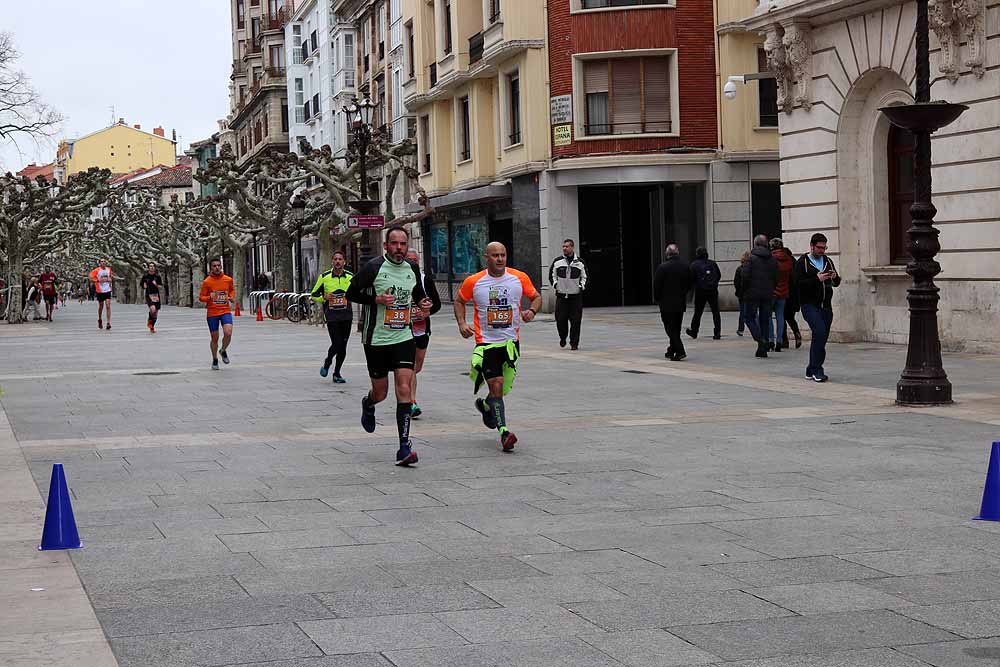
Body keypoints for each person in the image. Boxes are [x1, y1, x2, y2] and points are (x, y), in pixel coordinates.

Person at [345, 226, 432, 467]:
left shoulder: (412, 268)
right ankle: (369, 403)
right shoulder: (373, 267)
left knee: (404, 388)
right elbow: (351, 293)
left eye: (403, 244)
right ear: (386, 246)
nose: (399, 249)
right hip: (376, 340)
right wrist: (376, 299)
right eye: (394, 244)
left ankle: (404, 447)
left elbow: (419, 295)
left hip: (403, 337)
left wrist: (424, 304)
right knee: (381, 393)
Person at [455, 241, 541, 453]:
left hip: (511, 343)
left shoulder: (518, 278)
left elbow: (536, 297)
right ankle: (504, 432)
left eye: (503, 255)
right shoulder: (474, 282)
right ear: (487, 257)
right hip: (486, 345)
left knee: (501, 390)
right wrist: (462, 323)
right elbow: (459, 301)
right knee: (496, 385)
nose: (500, 259)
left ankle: (486, 407)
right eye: (495, 255)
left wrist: (532, 311)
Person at [795, 233, 841, 382]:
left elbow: (837, 283)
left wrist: (834, 277)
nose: (822, 250)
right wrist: (816, 279)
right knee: (819, 332)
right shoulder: (803, 262)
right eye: (819, 247)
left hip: (826, 306)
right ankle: (817, 370)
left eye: (824, 247)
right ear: (812, 246)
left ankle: (810, 369)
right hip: (809, 305)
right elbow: (798, 285)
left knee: (821, 338)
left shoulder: (828, 261)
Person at [406, 248, 441, 418]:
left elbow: (437, 304)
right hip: (403, 330)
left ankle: (406, 392)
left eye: (415, 260)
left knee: (416, 367)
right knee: (410, 367)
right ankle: (411, 402)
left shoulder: (425, 280)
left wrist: (427, 312)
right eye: (409, 259)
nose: (412, 262)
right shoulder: (398, 278)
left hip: (421, 329)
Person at [311, 250, 354, 383]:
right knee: (337, 343)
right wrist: (324, 297)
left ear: (344, 262)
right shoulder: (324, 277)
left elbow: (358, 292)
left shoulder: (350, 277)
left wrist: (351, 296)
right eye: (335, 259)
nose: (337, 261)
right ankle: (328, 361)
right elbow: (313, 294)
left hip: (346, 316)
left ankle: (337, 373)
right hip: (332, 316)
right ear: (332, 261)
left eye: (340, 259)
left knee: (343, 346)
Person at [653, 244, 692, 361]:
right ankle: (671, 349)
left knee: (670, 328)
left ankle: (680, 351)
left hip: (666, 303)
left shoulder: (662, 267)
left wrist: (657, 298)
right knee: (676, 327)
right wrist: (683, 293)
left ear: (667, 254)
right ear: (678, 253)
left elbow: (657, 285)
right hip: (680, 302)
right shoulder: (685, 266)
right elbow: (690, 283)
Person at [742, 235, 778, 358]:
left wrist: (745, 290)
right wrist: (772, 288)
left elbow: (745, 276)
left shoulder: (750, 259)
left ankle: (760, 340)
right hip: (768, 293)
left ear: (755, 244)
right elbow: (776, 277)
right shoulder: (772, 259)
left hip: (752, 294)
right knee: (765, 319)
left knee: (749, 317)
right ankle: (763, 345)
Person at [548, 239, 588, 350]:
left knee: (576, 322)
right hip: (561, 297)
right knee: (560, 320)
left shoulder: (580, 263)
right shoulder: (557, 262)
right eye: (563, 246)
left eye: (567, 246)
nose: (564, 248)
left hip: (575, 298)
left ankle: (574, 343)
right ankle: (562, 337)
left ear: (572, 248)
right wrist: (556, 285)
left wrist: (580, 287)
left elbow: (585, 277)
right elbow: (552, 276)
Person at [199, 259, 236, 370]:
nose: (217, 267)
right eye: (214, 266)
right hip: (212, 313)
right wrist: (209, 297)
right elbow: (201, 297)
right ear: (211, 267)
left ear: (221, 266)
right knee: (215, 338)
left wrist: (231, 297)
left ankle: (223, 350)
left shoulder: (228, 279)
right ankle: (215, 359)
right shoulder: (207, 282)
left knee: (228, 333)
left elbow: (232, 291)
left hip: (225, 311)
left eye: (218, 265)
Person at [686, 247, 722, 340]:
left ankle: (694, 331)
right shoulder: (713, 263)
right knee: (715, 311)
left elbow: (691, 279)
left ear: (697, 254)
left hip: (700, 291)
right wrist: (713, 285)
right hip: (713, 291)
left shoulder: (694, 265)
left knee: (698, 312)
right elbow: (718, 275)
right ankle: (717, 332)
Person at [769, 239, 794, 351]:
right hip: (784, 291)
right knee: (780, 316)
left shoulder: (770, 259)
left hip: (772, 291)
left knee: (768, 316)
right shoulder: (788, 259)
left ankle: (770, 339)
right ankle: (779, 340)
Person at [89, 259, 114, 330]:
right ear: (99, 263)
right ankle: (100, 320)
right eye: (102, 261)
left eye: (104, 261)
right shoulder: (96, 270)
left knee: (108, 306)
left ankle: (108, 323)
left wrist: (109, 280)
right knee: (101, 306)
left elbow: (110, 278)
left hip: (107, 290)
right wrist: (97, 280)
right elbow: (90, 277)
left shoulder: (109, 269)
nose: (103, 262)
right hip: (100, 290)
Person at [140, 262, 164, 333]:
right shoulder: (145, 276)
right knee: (152, 309)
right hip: (149, 295)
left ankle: (152, 326)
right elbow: (142, 285)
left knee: (155, 312)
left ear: (155, 268)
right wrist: (144, 285)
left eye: (153, 266)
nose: (152, 267)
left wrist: (156, 285)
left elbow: (160, 286)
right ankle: (150, 321)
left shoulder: (157, 277)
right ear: (148, 268)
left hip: (156, 295)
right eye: (150, 266)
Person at [734, 251, 750, 336]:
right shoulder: (753, 268)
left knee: (743, 312)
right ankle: (758, 327)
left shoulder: (739, 269)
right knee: (753, 312)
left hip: (742, 294)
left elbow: (736, 282)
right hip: (751, 294)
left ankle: (741, 329)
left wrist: (738, 291)